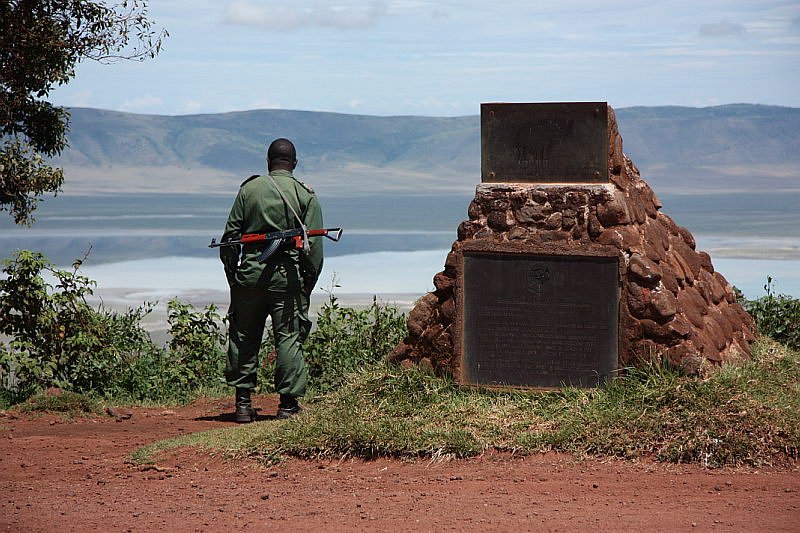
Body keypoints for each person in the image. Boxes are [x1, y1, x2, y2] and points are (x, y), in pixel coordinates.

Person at [219, 138, 323, 422]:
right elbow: (314, 252)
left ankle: (242, 404)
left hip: (249, 277)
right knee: (289, 338)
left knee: (243, 335)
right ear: (295, 163)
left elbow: (230, 241)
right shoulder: (305, 195)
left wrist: (235, 277)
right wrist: (306, 283)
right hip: (286, 279)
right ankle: (287, 406)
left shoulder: (249, 190)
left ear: (268, 162)